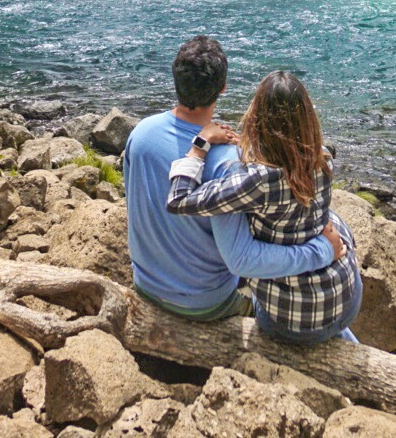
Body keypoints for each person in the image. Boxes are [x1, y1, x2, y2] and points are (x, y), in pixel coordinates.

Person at [121, 36, 345, 321]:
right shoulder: (228, 163)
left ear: (175, 79)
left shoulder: (140, 133)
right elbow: (241, 257)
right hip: (205, 302)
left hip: (147, 285)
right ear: (223, 88)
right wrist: (322, 250)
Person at [164, 70, 362, 344]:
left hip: (291, 323)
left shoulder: (256, 181)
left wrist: (200, 146)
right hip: (348, 299)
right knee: (330, 219)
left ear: (257, 118)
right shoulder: (323, 158)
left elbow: (179, 201)